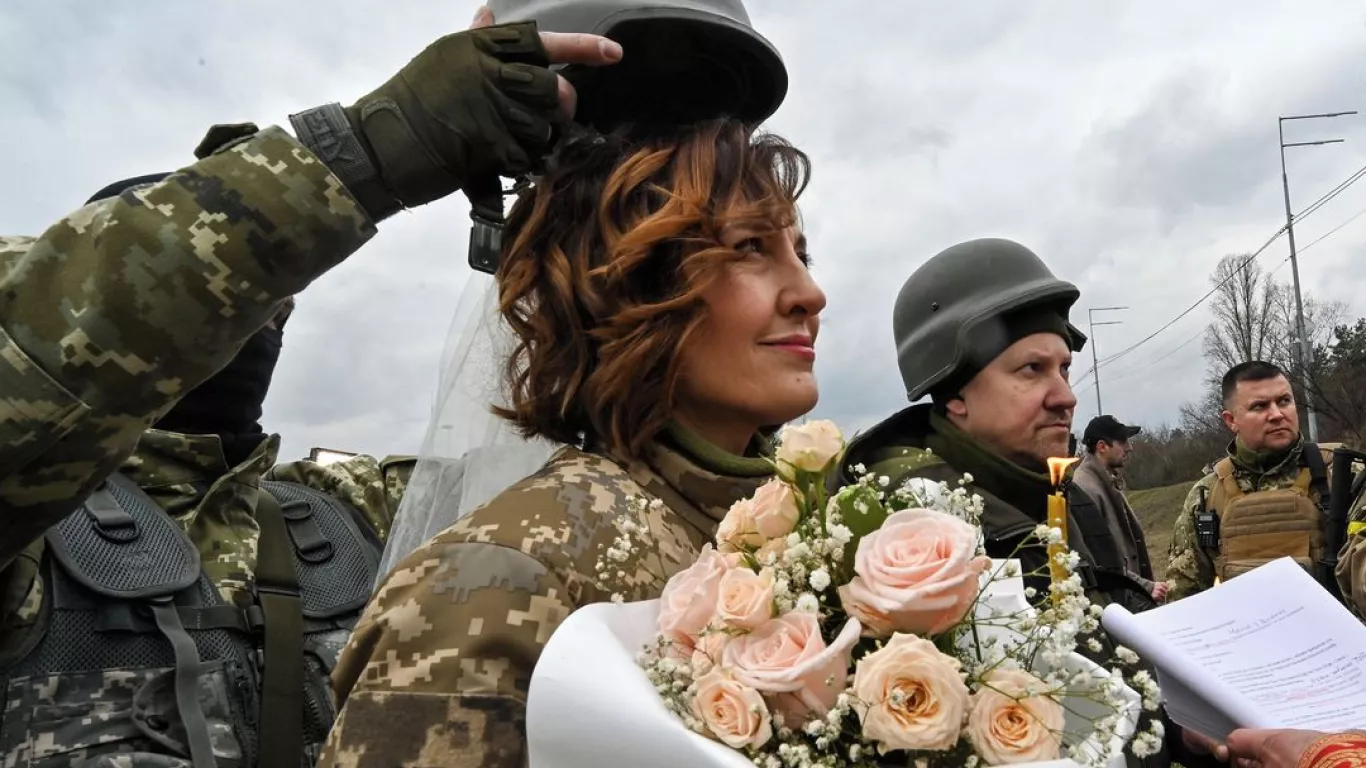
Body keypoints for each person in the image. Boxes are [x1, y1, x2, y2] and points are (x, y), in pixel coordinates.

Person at [0, 13, 624, 768]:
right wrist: (376, 147)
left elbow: (586, 484)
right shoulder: (31, 549)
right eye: (215, 291)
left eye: (272, 296)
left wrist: (615, 227)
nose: (263, 312)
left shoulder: (351, 514)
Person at [316, 117, 821, 767]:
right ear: (627, 283)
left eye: (800, 255)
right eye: (752, 246)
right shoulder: (494, 577)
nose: (810, 293)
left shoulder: (790, 542)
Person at [836, 238, 1155, 613]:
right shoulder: (899, 529)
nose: (1066, 397)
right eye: (1032, 369)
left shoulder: (1071, 501)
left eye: (1064, 368)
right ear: (954, 394)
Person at [1167, 361, 1341, 602]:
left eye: (1284, 401)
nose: (1277, 414)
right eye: (1260, 406)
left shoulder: (1344, 474)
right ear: (1230, 420)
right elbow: (1184, 597)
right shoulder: (1206, 495)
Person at [1074, 415, 1167, 605]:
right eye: (1123, 441)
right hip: (1117, 601)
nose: (1129, 447)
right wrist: (1145, 586)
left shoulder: (1106, 480)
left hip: (1127, 598)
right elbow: (1097, 558)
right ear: (1102, 446)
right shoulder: (1085, 489)